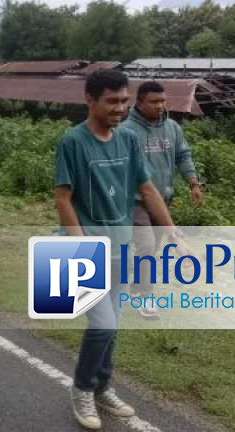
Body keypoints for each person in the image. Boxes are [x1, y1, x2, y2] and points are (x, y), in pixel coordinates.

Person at [55, 70, 189, 430]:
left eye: (124, 101)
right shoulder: (73, 142)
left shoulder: (128, 141)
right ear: (90, 100)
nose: (119, 108)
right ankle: (82, 389)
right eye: (112, 101)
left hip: (120, 246)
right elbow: (63, 198)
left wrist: (172, 231)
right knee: (102, 323)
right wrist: (80, 244)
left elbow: (147, 190)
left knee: (114, 324)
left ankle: (103, 387)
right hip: (85, 248)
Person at [119, 81, 203, 318]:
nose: (160, 106)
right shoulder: (126, 132)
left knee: (152, 248)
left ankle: (135, 288)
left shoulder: (173, 128)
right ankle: (146, 298)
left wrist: (194, 183)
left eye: (163, 101)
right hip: (135, 201)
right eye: (154, 102)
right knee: (145, 246)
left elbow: (183, 155)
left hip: (163, 199)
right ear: (140, 102)